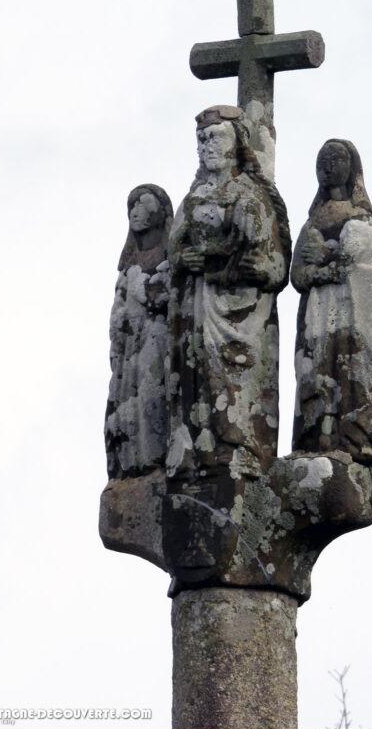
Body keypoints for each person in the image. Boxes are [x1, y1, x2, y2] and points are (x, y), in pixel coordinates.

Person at [166, 105, 291, 481]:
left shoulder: (250, 195)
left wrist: (225, 263)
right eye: (201, 139)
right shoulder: (193, 196)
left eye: (215, 137)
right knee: (195, 373)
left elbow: (273, 266)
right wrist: (184, 258)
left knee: (232, 377)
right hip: (196, 305)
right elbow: (175, 249)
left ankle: (238, 447)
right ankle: (197, 446)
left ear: (236, 144)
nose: (207, 146)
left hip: (237, 310)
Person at [291, 139, 372, 464]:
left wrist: (332, 259)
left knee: (351, 371)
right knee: (315, 374)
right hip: (317, 314)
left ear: (351, 168)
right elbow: (297, 274)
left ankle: (353, 441)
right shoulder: (312, 223)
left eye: (336, 158)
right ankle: (315, 441)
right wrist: (317, 272)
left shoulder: (363, 219)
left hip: (352, 314)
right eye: (322, 159)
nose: (327, 165)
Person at [104, 183, 173, 477]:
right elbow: (117, 312)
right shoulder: (127, 267)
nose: (136, 212)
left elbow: (166, 296)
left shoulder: (169, 258)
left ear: (161, 213)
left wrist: (141, 287)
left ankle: (154, 459)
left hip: (155, 341)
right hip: (128, 349)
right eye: (132, 206)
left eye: (144, 204)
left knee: (152, 399)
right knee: (122, 409)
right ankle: (129, 463)